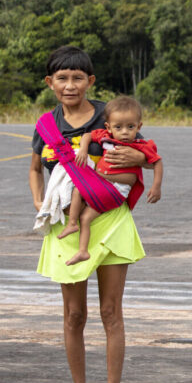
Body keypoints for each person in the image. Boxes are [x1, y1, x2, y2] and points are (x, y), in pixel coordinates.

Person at [29, 46, 153, 383]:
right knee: (73, 315)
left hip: (110, 219)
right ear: (50, 83)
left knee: (110, 312)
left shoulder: (110, 114)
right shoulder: (46, 126)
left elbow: (142, 152)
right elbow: (36, 168)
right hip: (66, 225)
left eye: (78, 78)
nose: (70, 85)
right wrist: (40, 203)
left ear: (90, 82)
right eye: (62, 78)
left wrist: (138, 161)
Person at [58, 95, 163, 266]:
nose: (124, 132)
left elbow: (157, 162)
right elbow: (87, 136)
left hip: (116, 190)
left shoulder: (141, 145)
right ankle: (82, 249)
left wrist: (156, 186)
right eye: (118, 127)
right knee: (85, 217)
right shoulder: (106, 137)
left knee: (80, 190)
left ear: (139, 126)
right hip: (102, 185)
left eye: (130, 127)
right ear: (108, 127)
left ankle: (72, 225)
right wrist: (83, 150)